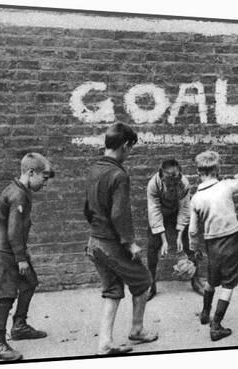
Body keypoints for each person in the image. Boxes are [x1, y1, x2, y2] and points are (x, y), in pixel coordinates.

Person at [84, 123, 158, 355]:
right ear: (125, 146)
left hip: (94, 242)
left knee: (113, 290)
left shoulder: (94, 169)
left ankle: (105, 342)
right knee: (144, 281)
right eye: (131, 148)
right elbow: (119, 214)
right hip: (111, 244)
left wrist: (98, 229)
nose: (130, 153)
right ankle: (136, 329)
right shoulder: (118, 174)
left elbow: (87, 208)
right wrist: (129, 243)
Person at [0, 153, 55, 361]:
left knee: (29, 282)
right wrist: (21, 258)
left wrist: (21, 254)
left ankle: (19, 326)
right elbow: (14, 231)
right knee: (6, 296)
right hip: (4, 253)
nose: (45, 183)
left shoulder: (21, 190)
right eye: (44, 178)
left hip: (12, 250)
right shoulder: (18, 195)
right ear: (31, 173)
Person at [188, 150, 238, 342]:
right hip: (231, 240)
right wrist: (235, 176)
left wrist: (195, 248)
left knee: (211, 279)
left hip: (211, 243)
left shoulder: (196, 198)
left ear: (198, 171)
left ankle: (205, 312)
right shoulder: (226, 186)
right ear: (217, 169)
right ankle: (216, 325)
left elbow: (192, 231)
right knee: (229, 283)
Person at [146, 159, 204, 301]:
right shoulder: (153, 184)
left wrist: (179, 235)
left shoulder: (183, 183)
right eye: (168, 183)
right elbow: (154, 211)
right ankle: (151, 284)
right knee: (152, 247)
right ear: (161, 176)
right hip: (160, 214)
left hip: (177, 212)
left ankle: (195, 280)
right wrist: (164, 239)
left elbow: (185, 209)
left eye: (175, 182)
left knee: (190, 243)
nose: (172, 186)